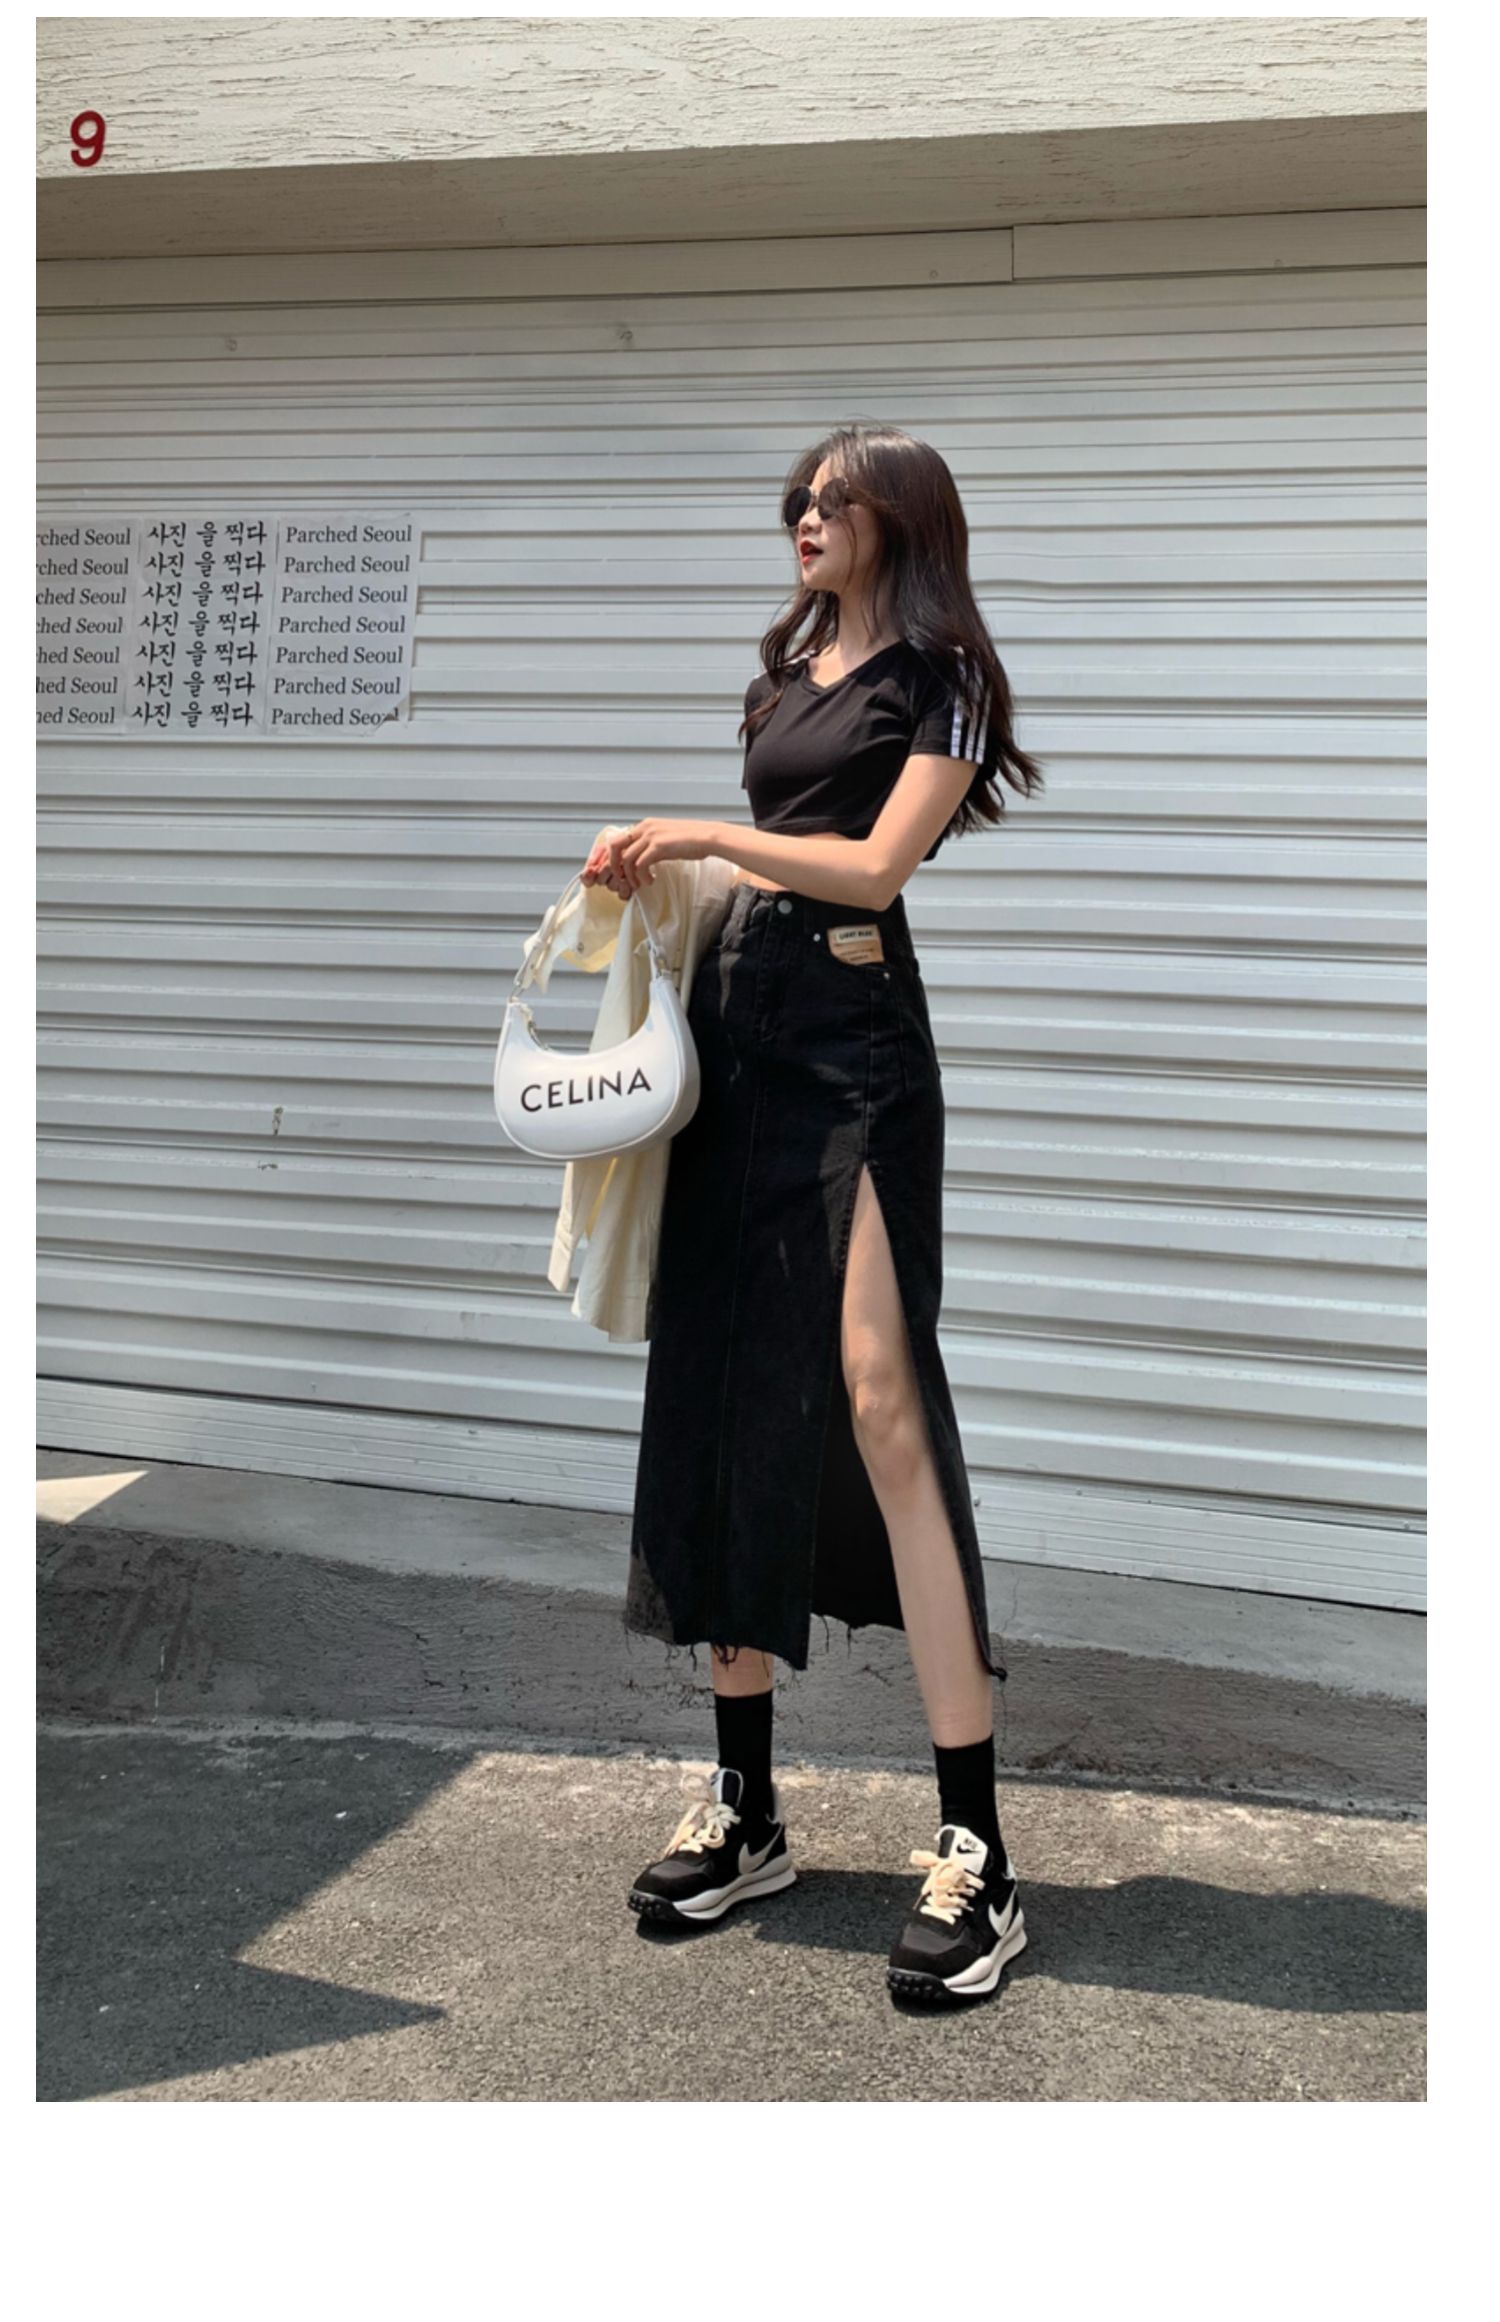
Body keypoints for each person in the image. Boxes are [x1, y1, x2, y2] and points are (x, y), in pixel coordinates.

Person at [581, 423, 1045, 2005]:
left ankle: (977, 1847)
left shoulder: (943, 678)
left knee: (878, 1398)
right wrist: (667, 884)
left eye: (835, 500)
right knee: (723, 1391)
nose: (805, 517)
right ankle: (747, 1804)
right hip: (739, 1029)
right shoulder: (786, 677)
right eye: (798, 498)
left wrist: (708, 833)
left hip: (855, 1056)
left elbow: (875, 867)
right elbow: (772, 870)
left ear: (900, 520)